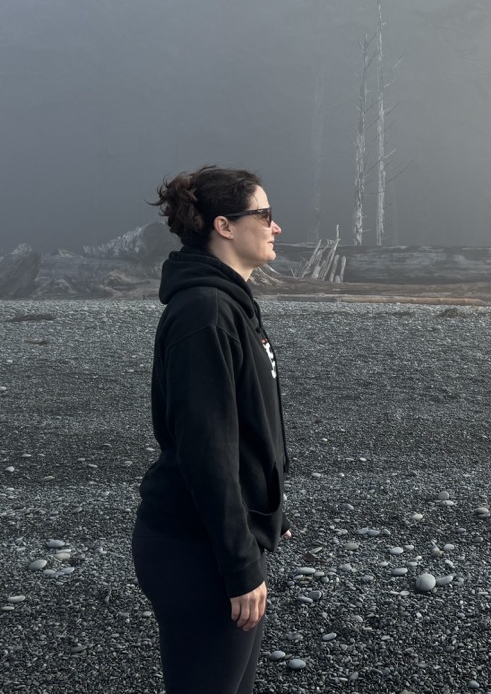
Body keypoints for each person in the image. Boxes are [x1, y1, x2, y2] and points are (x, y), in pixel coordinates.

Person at [132, 166, 291, 694]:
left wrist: (267, 511)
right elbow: (207, 449)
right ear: (224, 225)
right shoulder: (204, 312)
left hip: (219, 538)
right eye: (264, 215)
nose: (276, 227)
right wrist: (240, 563)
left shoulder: (230, 304)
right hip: (193, 546)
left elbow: (247, 427)